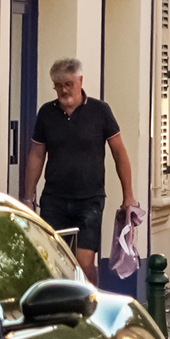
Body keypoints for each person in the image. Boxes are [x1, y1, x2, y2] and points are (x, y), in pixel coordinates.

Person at [22, 58, 136, 280]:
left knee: (84, 262)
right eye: (58, 85)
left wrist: (128, 196)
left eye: (68, 84)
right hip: (54, 199)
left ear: (80, 81)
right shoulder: (46, 113)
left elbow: (119, 153)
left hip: (89, 201)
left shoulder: (100, 111)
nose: (64, 90)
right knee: (55, 263)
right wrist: (28, 197)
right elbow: (36, 155)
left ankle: (91, 305)